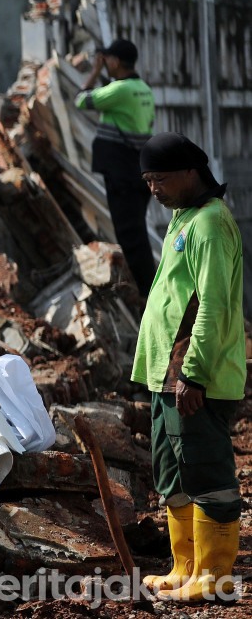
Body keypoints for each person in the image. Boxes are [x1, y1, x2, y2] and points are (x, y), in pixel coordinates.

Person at [131, 133, 244, 602]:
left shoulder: (210, 224)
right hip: (167, 375)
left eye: (160, 178)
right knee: (173, 475)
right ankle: (186, 567)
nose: (153, 189)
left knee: (206, 473)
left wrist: (192, 373)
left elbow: (213, 305)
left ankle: (214, 577)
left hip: (196, 379)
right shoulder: (185, 217)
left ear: (190, 172)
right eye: (147, 180)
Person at [75, 38, 156, 296]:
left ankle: (148, 295)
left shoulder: (120, 90)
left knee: (130, 237)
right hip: (137, 171)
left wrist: (94, 71)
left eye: (107, 58)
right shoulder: (143, 89)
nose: (104, 62)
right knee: (137, 235)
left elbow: (81, 100)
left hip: (122, 174)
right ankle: (148, 291)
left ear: (116, 61)